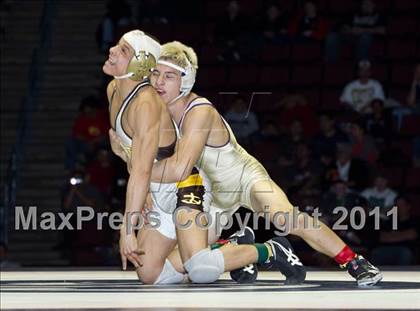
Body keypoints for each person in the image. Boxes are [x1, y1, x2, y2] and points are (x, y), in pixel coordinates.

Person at [145, 40, 382, 286]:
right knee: (172, 273)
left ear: (185, 81)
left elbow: (176, 167)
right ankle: (243, 246)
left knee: (286, 219)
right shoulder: (156, 116)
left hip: (243, 178)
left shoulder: (198, 111)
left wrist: (142, 176)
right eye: (156, 74)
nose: (159, 82)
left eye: (169, 76)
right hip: (211, 196)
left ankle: (354, 261)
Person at [104, 30, 305, 285]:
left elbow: (142, 167)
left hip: (187, 185)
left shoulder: (145, 104)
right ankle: (229, 246)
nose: (112, 50)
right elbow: (141, 158)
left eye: (123, 50)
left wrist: (127, 229)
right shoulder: (114, 90)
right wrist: (141, 187)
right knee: (150, 274)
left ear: (138, 63)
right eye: (156, 74)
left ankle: (270, 249)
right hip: (160, 183)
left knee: (200, 270)